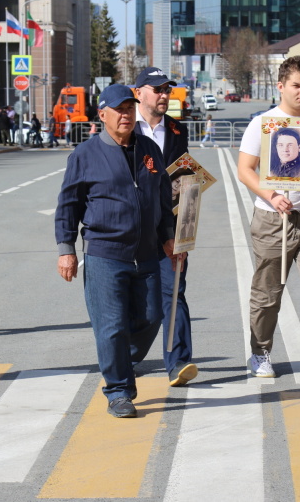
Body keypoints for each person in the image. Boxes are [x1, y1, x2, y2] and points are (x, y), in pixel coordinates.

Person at [55, 84, 176, 418]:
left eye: (130, 108)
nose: (126, 115)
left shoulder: (150, 149)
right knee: (111, 326)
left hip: (147, 253)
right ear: (103, 114)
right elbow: (68, 205)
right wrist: (66, 249)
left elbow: (163, 198)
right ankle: (119, 390)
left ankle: (120, 359)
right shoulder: (85, 155)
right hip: (105, 254)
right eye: (119, 109)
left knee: (152, 316)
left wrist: (168, 236)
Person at [237, 56, 300, 386]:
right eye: (296, 85)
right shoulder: (263, 123)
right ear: (281, 86)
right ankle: (260, 353)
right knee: (268, 293)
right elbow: (245, 169)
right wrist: (271, 196)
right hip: (271, 219)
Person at [134, 66, 197, 388]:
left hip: (170, 228)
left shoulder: (176, 130)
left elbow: (186, 178)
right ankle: (129, 355)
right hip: (135, 228)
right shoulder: (125, 127)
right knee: (145, 305)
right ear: (138, 93)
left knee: (174, 293)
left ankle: (179, 362)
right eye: (157, 89)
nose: (163, 95)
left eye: (166, 89)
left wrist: (184, 231)